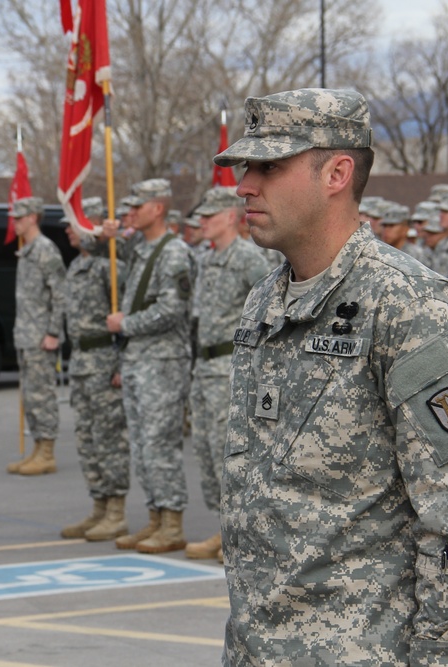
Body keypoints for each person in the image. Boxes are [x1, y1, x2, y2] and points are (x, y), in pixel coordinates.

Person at [213, 88, 448, 666]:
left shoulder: (406, 305)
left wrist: (442, 651)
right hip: (258, 645)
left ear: (337, 172)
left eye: (269, 166)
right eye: (246, 167)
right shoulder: (264, 302)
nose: (244, 185)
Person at [106, 178, 194, 554]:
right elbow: (105, 245)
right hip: (139, 360)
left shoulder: (174, 252)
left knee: (160, 444)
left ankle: (172, 522)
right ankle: (155, 517)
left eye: (136, 207)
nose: (129, 213)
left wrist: (126, 324)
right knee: (142, 445)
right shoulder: (142, 250)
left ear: (157, 209)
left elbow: (173, 310)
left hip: (162, 361)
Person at [184, 186, 270, 562]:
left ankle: (240, 534)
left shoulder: (247, 258)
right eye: (200, 217)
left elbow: (270, 310)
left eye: (209, 216)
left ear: (230, 217)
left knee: (228, 452)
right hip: (203, 365)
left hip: (230, 365)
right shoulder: (206, 258)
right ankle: (223, 529)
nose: (202, 223)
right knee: (205, 450)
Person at [59, 197, 131, 541]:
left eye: (73, 223)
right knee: (87, 437)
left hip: (104, 360)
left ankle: (116, 510)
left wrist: (121, 361)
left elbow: (123, 316)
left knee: (109, 437)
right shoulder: (76, 267)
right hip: (81, 364)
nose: (67, 230)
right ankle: (99, 506)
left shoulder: (109, 266)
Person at [5, 196, 67, 475]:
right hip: (27, 336)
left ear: (32, 218)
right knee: (31, 396)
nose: (15, 222)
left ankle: (48, 453)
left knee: (43, 395)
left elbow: (60, 294)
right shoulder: (28, 250)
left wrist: (54, 332)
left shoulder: (45, 250)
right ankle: (38, 449)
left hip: (42, 336)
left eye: (19, 218)